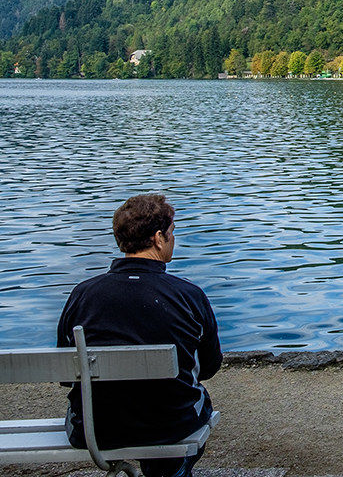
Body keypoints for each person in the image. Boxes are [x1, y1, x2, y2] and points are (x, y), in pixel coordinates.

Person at [58, 194, 222, 477]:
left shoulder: (82, 295)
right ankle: (167, 470)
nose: (173, 239)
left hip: (95, 428)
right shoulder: (189, 296)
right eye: (171, 233)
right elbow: (208, 367)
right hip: (171, 424)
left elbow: (65, 374)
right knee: (194, 400)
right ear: (158, 238)